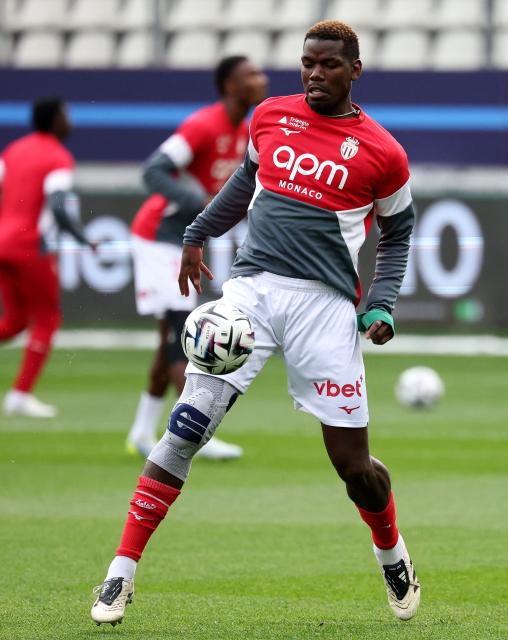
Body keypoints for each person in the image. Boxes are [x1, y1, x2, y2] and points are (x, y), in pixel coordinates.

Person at [91, 21, 420, 625]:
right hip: (251, 294)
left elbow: (399, 234)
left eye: (328, 65)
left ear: (355, 71)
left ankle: (391, 551)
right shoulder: (270, 117)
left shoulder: (383, 152)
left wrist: (381, 302)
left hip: (324, 310)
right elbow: (246, 180)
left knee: (355, 469)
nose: (314, 74)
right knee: (188, 426)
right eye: (307, 63)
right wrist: (196, 234)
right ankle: (120, 571)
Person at [125, 55, 268, 460]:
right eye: (251, 75)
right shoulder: (202, 125)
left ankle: (140, 431)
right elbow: (153, 170)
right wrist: (198, 202)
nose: (262, 80)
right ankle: (192, 430)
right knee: (180, 335)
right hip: (159, 237)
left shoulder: (246, 130)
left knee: (169, 339)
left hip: (183, 241)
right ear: (229, 86)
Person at [0, 97, 94, 418]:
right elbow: (56, 205)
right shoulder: (58, 156)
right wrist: (83, 238)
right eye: (66, 115)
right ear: (55, 120)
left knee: (14, 322)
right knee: (47, 318)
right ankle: (19, 395)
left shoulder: (14, 150)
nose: (71, 122)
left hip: (3, 242)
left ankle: (19, 395)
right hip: (30, 245)